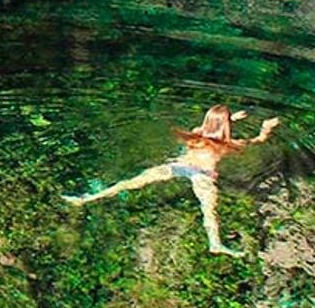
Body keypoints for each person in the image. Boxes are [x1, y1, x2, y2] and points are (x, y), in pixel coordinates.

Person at [63, 105, 280, 257]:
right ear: (225, 127)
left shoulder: (196, 135)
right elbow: (258, 140)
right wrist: (266, 128)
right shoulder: (228, 145)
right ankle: (215, 243)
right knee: (208, 209)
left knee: (129, 183)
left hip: (180, 165)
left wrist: (228, 119)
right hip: (201, 175)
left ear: (207, 121)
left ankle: (87, 199)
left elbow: (210, 130)